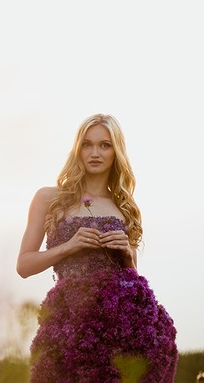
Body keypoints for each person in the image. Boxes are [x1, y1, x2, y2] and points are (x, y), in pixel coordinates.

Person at [17, 113, 177, 382]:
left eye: (105, 145)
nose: (95, 153)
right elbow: (23, 265)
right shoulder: (48, 198)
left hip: (122, 328)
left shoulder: (124, 208)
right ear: (77, 149)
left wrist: (127, 255)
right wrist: (69, 246)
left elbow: (134, 281)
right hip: (69, 321)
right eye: (87, 144)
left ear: (117, 151)